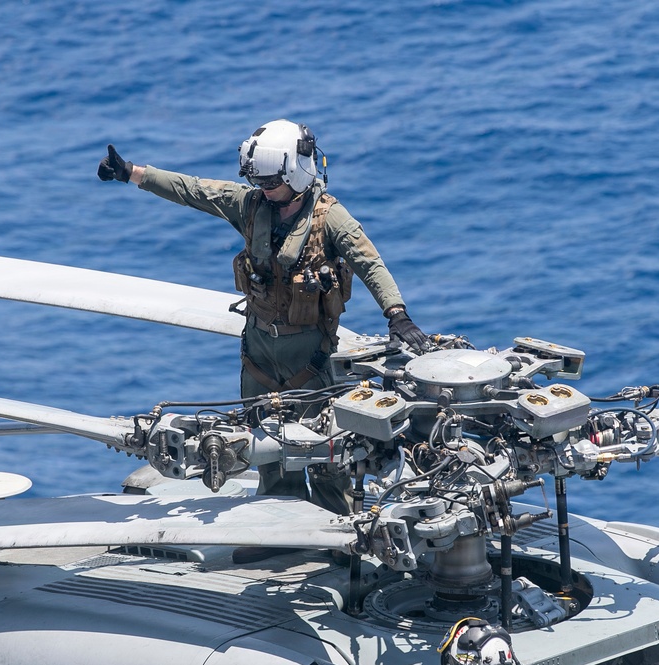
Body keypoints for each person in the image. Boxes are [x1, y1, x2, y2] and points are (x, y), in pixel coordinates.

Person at [98, 119, 431, 514]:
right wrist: (132, 173)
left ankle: (336, 532)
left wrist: (397, 315)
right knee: (265, 450)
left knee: (321, 452)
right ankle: (278, 528)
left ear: (296, 173)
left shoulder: (330, 219)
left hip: (310, 359)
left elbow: (369, 263)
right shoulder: (250, 205)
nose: (265, 190)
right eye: (260, 183)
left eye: (271, 183)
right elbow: (194, 191)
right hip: (257, 356)